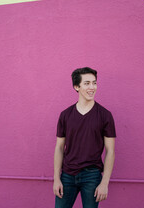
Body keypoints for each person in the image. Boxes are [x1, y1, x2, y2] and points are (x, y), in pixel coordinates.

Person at [53, 67, 116, 208]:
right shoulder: (65, 115)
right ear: (76, 86)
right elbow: (59, 148)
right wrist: (57, 179)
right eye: (87, 83)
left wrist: (104, 183)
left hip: (92, 176)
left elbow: (110, 151)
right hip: (67, 175)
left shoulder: (105, 115)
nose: (92, 87)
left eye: (94, 83)